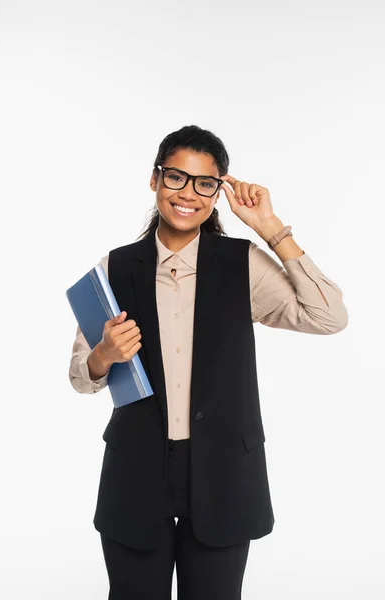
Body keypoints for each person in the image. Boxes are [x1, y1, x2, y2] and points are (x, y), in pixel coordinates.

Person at [68, 125, 348, 599]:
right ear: (155, 180)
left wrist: (270, 228)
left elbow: (329, 317)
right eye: (176, 178)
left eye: (205, 183)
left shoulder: (243, 264)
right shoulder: (115, 267)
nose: (188, 194)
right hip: (136, 474)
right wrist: (102, 356)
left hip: (222, 474)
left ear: (218, 193)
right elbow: (81, 377)